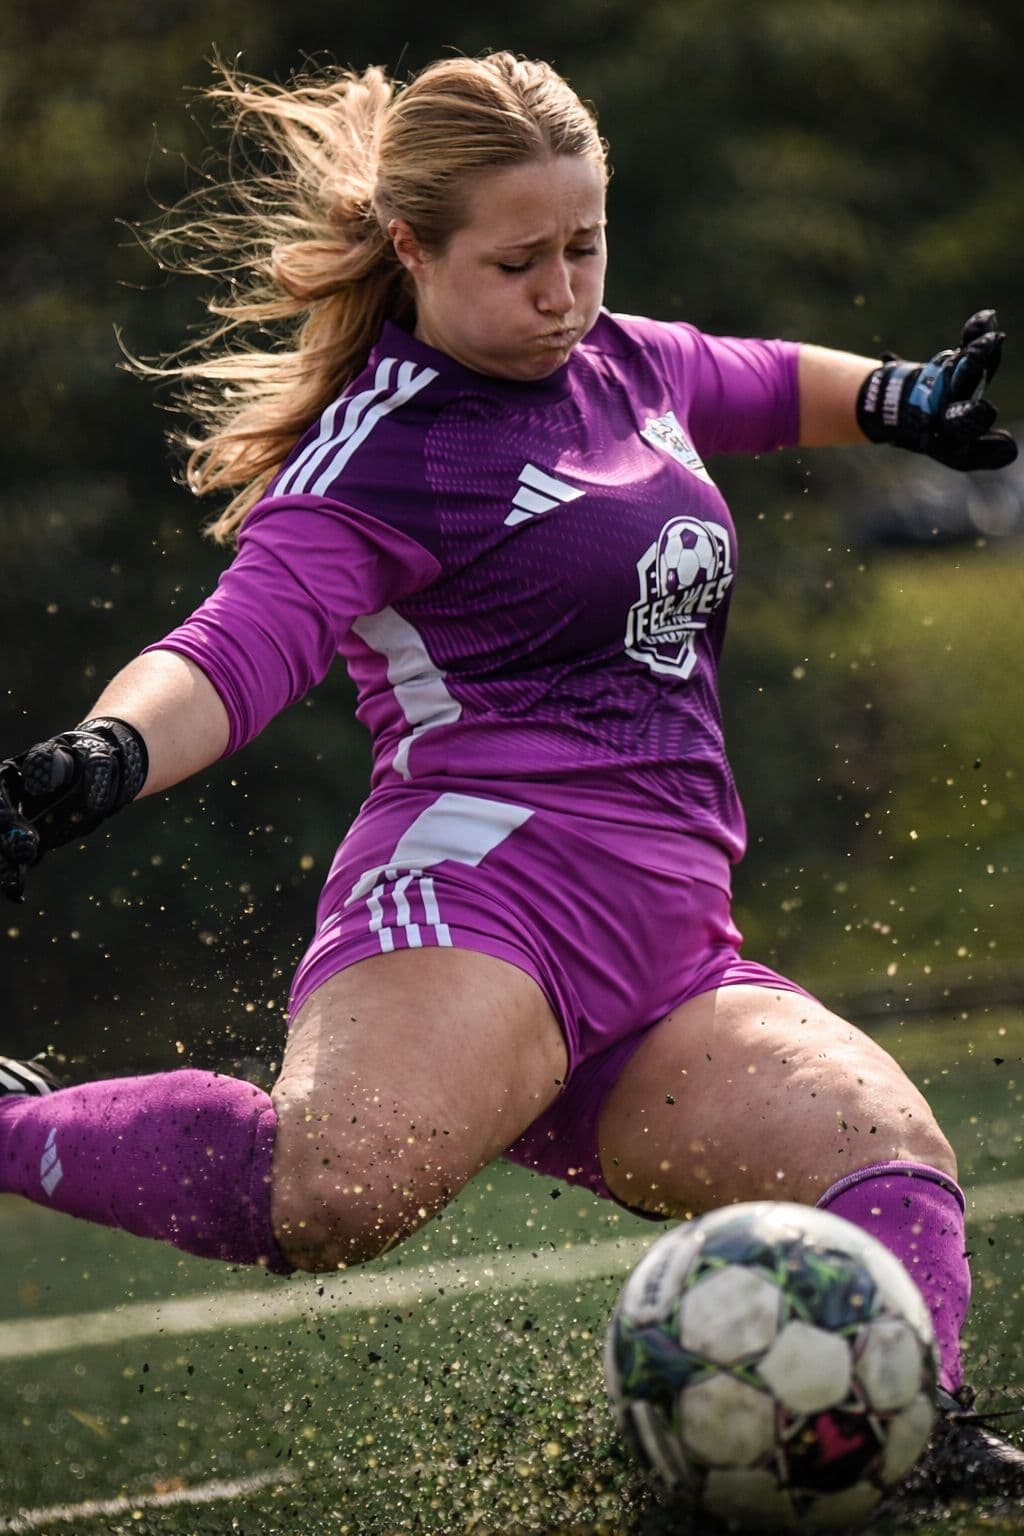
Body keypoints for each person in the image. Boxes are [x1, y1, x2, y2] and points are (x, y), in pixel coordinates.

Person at [0, 50, 1021, 1500]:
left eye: (587, 246)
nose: (564, 291)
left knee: (887, 1156)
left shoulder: (620, 359)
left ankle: (913, 1429)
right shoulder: (382, 453)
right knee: (333, 1195)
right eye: (520, 261)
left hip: (669, 944)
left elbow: (758, 381)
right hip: (485, 901)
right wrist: (103, 754)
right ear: (413, 252)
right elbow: (234, 653)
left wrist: (897, 399)